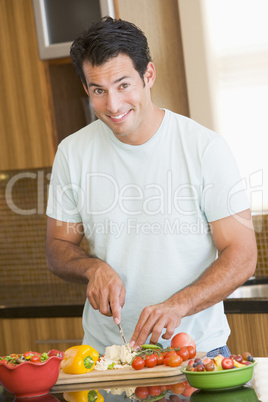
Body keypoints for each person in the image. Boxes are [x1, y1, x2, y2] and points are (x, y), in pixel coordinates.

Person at [46, 17, 257, 357]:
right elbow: (58, 245)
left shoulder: (204, 148)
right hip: (107, 358)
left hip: (194, 353)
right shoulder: (73, 152)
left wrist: (178, 305)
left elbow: (243, 254)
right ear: (86, 89)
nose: (113, 105)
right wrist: (92, 268)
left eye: (123, 85)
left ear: (149, 76)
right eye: (99, 90)